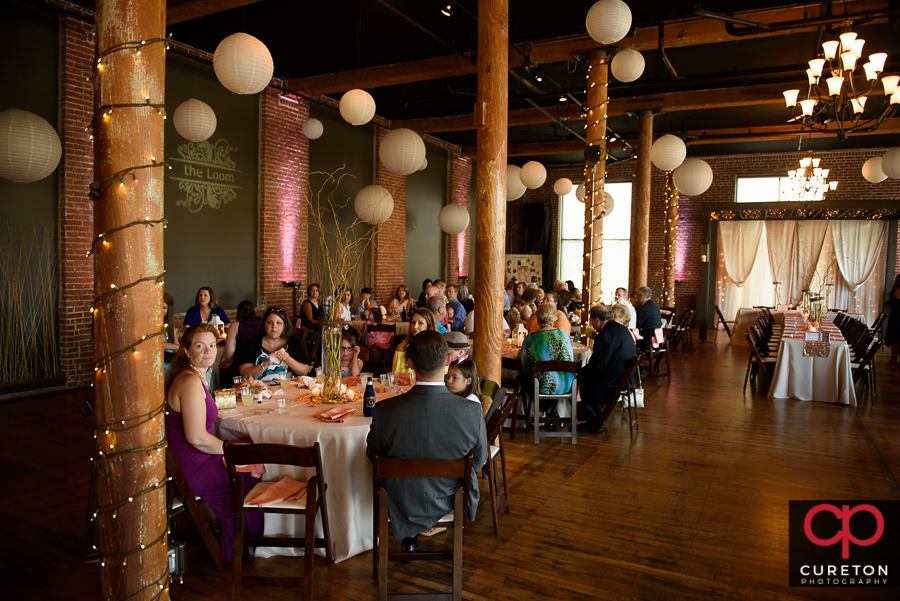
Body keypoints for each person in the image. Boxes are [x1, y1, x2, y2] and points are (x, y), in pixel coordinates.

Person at [366, 330, 487, 553]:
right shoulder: (471, 412)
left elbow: (373, 456)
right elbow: (478, 461)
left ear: (410, 363)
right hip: (449, 498)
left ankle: (409, 535)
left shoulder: (384, 411)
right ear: (448, 360)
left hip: (399, 500)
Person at [164, 323, 262, 562]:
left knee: (249, 452)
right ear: (186, 351)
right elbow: (196, 437)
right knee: (251, 474)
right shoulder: (189, 381)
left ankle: (238, 542)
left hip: (194, 459)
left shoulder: (193, 375)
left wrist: (236, 450)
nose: (208, 351)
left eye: (211, 345)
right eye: (200, 346)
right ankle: (238, 551)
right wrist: (233, 453)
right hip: (191, 468)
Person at [578, 305, 637, 431]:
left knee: (576, 381)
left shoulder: (605, 334)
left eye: (592, 320)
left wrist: (579, 372)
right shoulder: (621, 329)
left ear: (597, 320)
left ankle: (594, 419)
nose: (592, 324)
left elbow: (598, 366)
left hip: (612, 381)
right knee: (583, 377)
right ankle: (596, 419)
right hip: (623, 377)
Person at [520, 303, 575, 415]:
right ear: (554, 317)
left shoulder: (531, 338)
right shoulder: (565, 335)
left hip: (540, 387)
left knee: (529, 380)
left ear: (537, 318)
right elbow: (571, 359)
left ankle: (549, 410)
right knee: (553, 376)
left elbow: (523, 362)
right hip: (565, 384)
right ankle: (551, 412)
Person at [236, 307, 311, 382]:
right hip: (260, 389)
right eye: (270, 322)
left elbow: (304, 371)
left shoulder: (294, 341)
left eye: (279, 323)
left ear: (284, 325)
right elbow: (244, 374)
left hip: (288, 387)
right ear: (264, 324)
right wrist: (266, 364)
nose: (274, 326)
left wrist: (288, 359)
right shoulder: (252, 342)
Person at [219, 301, 260, 383]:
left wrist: (230, 361)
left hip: (241, 364)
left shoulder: (236, 325)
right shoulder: (261, 323)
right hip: (260, 361)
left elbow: (228, 354)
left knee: (223, 369)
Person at [392, 308, 439, 374]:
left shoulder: (438, 348)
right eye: (413, 322)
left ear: (429, 326)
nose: (415, 327)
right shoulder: (402, 348)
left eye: (420, 323)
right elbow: (395, 377)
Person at [887, 273, 900, 370]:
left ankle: (894, 359)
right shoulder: (899, 290)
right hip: (898, 318)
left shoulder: (894, 290)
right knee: (897, 339)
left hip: (895, 317)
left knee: (897, 339)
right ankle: (893, 360)